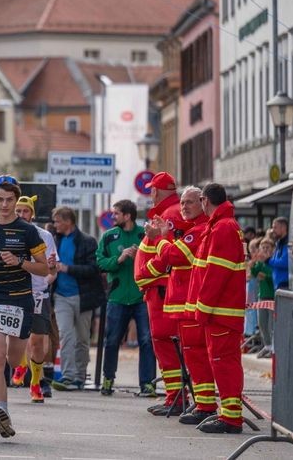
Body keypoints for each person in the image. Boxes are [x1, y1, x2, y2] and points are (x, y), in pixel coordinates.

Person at [0, 176, 50, 437]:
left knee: (14, 359)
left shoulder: (28, 231)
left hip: (19, 299)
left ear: (17, 200)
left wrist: (19, 262)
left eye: (10, 200)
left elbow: (43, 267)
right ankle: (1, 410)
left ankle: (22, 366)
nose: (4, 205)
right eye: (0, 199)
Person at [145, 186, 218, 423]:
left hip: (190, 303)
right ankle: (201, 404)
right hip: (183, 303)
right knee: (191, 355)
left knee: (197, 356)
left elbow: (174, 257)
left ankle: (206, 406)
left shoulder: (199, 230)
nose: (184, 206)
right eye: (183, 202)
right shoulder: (194, 229)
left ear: (203, 202)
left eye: (190, 202)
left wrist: (162, 238)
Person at [191, 183, 247, 434]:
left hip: (221, 312)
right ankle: (228, 414)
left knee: (223, 363)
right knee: (223, 362)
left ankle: (231, 419)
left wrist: (202, 308)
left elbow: (216, 275)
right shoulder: (222, 225)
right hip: (222, 312)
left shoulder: (223, 227)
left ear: (204, 200)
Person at [136, 171, 189, 409]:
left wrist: (146, 271)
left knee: (166, 342)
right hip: (160, 288)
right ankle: (176, 397)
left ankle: (175, 398)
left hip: (161, 289)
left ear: (155, 191)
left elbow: (172, 255)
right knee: (167, 343)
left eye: (151, 190)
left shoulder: (170, 214)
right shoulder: (170, 212)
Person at [96, 199, 153, 396]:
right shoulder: (109, 236)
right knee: (111, 340)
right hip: (117, 297)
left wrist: (140, 257)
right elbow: (100, 262)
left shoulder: (144, 235)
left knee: (147, 340)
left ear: (127, 216)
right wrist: (118, 259)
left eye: (116, 214)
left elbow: (158, 260)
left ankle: (147, 383)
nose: (113, 217)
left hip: (142, 297)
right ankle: (108, 379)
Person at [50, 206, 102, 391]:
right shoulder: (53, 240)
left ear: (68, 221)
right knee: (66, 335)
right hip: (61, 296)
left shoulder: (87, 241)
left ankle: (80, 376)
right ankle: (67, 375)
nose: (54, 224)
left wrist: (67, 268)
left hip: (83, 296)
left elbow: (93, 269)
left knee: (82, 339)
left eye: (57, 221)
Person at [13, 195, 58, 403]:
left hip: (39, 292)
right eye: (18, 211)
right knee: (17, 337)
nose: (22, 215)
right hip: (15, 291)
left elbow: (53, 269)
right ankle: (22, 363)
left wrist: (47, 276)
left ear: (32, 213)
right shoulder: (10, 233)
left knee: (37, 340)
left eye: (26, 211)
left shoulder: (44, 236)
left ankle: (35, 383)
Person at [267, 216, 290, 292]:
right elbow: (274, 261)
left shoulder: (288, 243)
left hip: (284, 283)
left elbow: (285, 262)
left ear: (283, 228)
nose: (273, 230)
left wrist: (268, 260)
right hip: (278, 283)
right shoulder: (278, 242)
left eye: (275, 227)